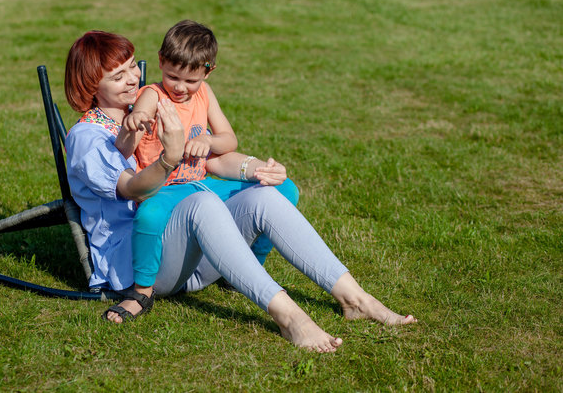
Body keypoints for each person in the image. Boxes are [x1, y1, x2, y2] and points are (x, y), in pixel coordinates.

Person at [64, 30, 417, 353]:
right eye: (117, 76)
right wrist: (170, 158)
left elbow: (211, 159)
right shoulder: (88, 137)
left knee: (264, 194)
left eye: (131, 68)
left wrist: (256, 167)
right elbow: (130, 189)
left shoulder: (150, 104)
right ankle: (289, 317)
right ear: (89, 84)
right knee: (200, 200)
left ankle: (354, 298)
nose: (132, 78)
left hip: (190, 254)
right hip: (141, 266)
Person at [117, 19, 296, 296]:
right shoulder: (153, 95)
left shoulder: (204, 94)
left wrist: (208, 139)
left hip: (202, 184)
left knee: (285, 189)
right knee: (149, 215)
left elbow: (229, 140)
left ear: (208, 72)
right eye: (173, 77)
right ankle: (142, 289)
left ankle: (251, 266)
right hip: (165, 190)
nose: (180, 87)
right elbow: (131, 133)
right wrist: (137, 119)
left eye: (191, 80)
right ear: (161, 61)